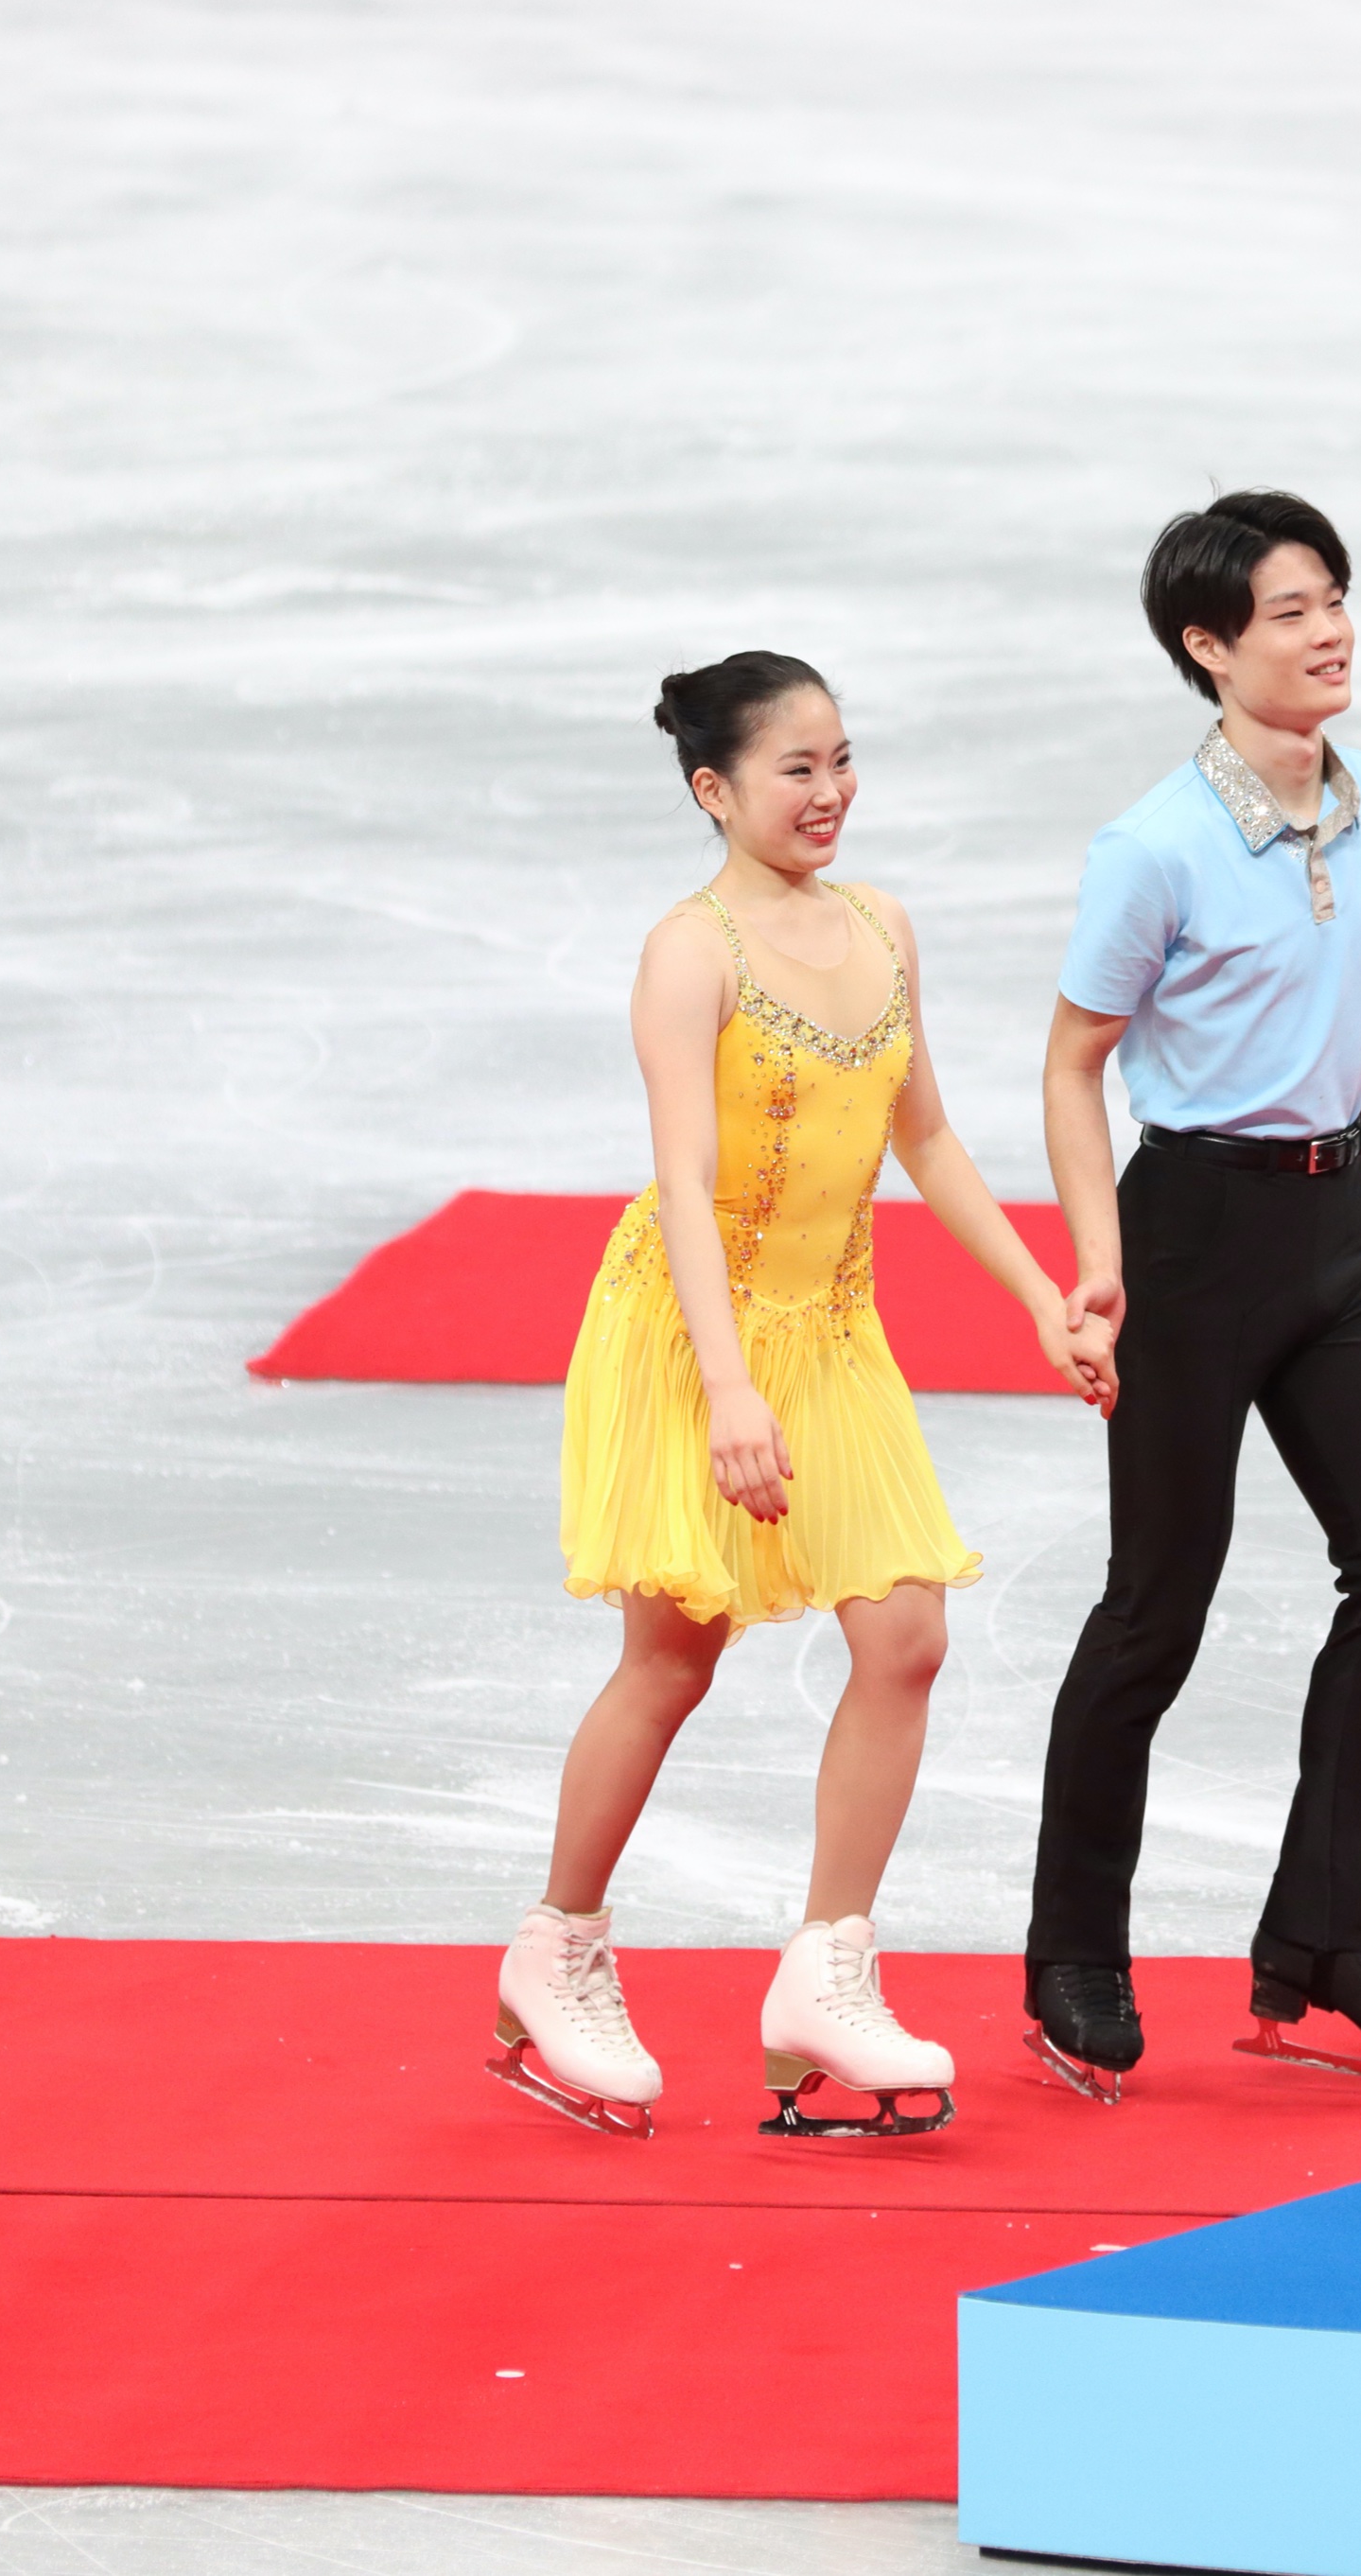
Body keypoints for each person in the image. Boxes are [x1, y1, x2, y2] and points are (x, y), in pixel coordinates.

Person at [495, 651, 1116, 2143]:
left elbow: (929, 1137)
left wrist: (1041, 1298)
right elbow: (684, 1185)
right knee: (675, 1655)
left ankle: (825, 1974)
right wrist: (726, 1390)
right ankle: (555, 1950)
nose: (830, 792)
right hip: (689, 1333)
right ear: (714, 791)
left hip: (833, 1331)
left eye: (843, 760)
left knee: (906, 1634)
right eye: (796, 768)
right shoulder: (688, 953)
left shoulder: (883, 926)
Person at [1022, 492, 1361, 2103]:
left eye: (1334, 596)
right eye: (1290, 611)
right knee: (1160, 1605)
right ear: (1209, 649)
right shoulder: (1154, 846)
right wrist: (1097, 1268)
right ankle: (1074, 1956)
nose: (1330, 630)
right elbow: (1074, 1065)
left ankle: (1331, 1938)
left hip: (1331, 1232)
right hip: (1192, 1240)